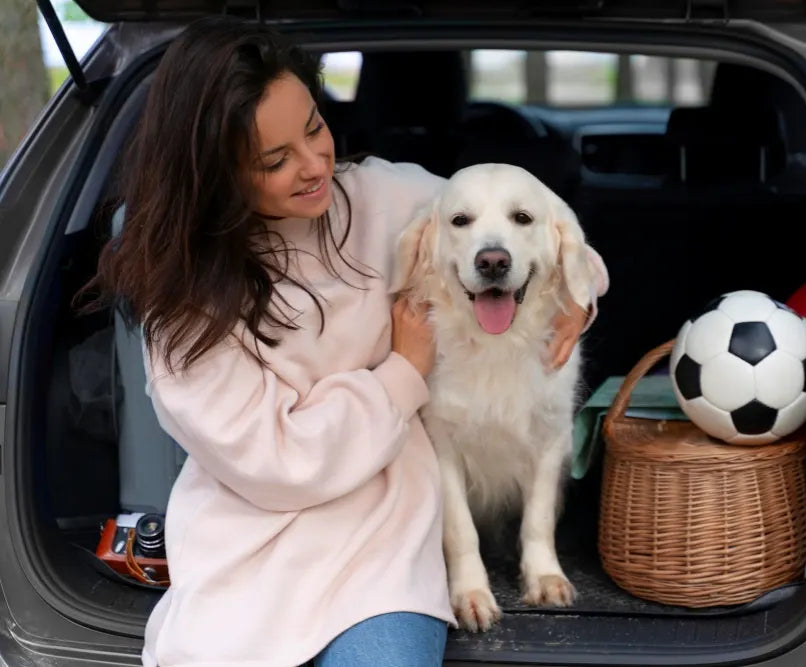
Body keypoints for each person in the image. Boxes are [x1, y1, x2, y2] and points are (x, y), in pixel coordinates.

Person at [79, 16, 608, 667]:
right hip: (251, 553)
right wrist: (402, 374)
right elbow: (281, 461)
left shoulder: (384, 197)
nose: (313, 165)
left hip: (385, 555)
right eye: (275, 160)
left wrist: (578, 296)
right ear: (215, 175)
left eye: (314, 128)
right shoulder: (183, 305)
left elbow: (529, 225)